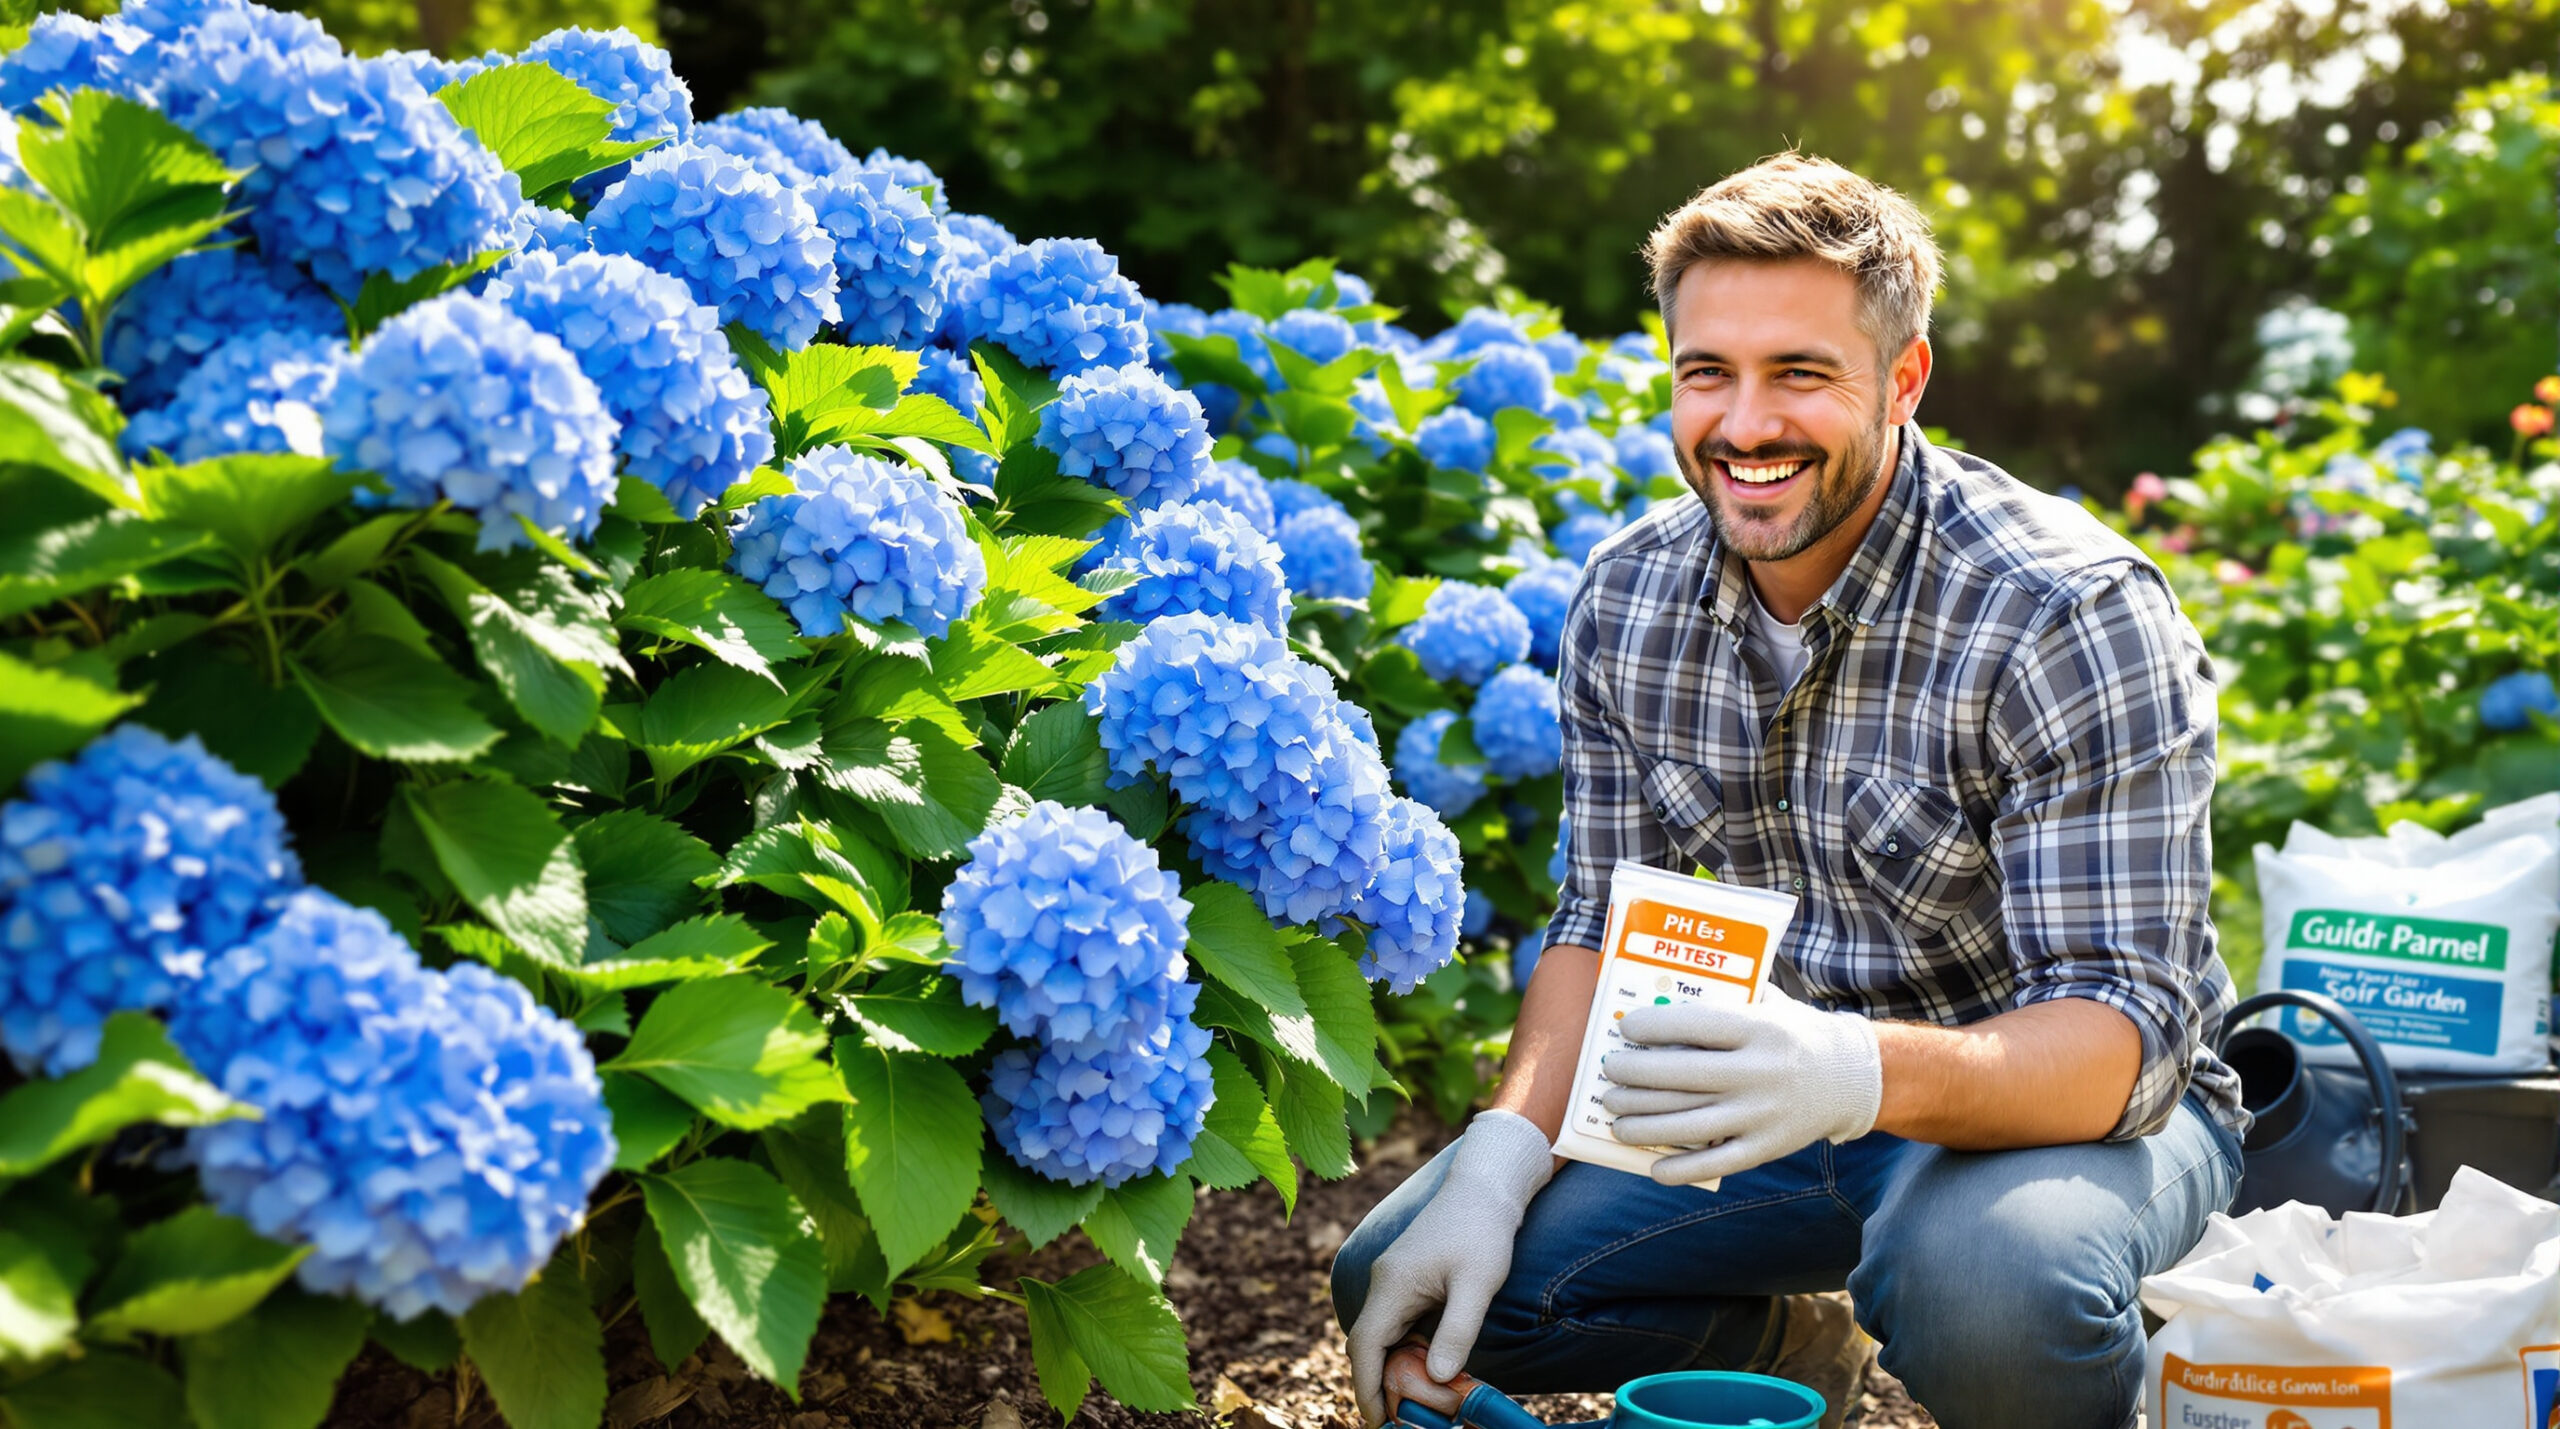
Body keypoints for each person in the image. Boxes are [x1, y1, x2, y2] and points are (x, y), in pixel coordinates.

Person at [1330, 153, 2249, 1429]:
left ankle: (2084, 1358)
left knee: (1992, 1288)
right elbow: (1594, 923)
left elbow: (2121, 1035)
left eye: (1800, 374)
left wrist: (1850, 1068)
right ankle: (1788, 1350)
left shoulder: (2062, 611)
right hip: (1770, 1097)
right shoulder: (1629, 597)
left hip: (2060, 1121)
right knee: (1412, 1278)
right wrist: (1499, 1157)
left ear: (1905, 379)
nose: (1744, 424)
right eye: (1708, 372)